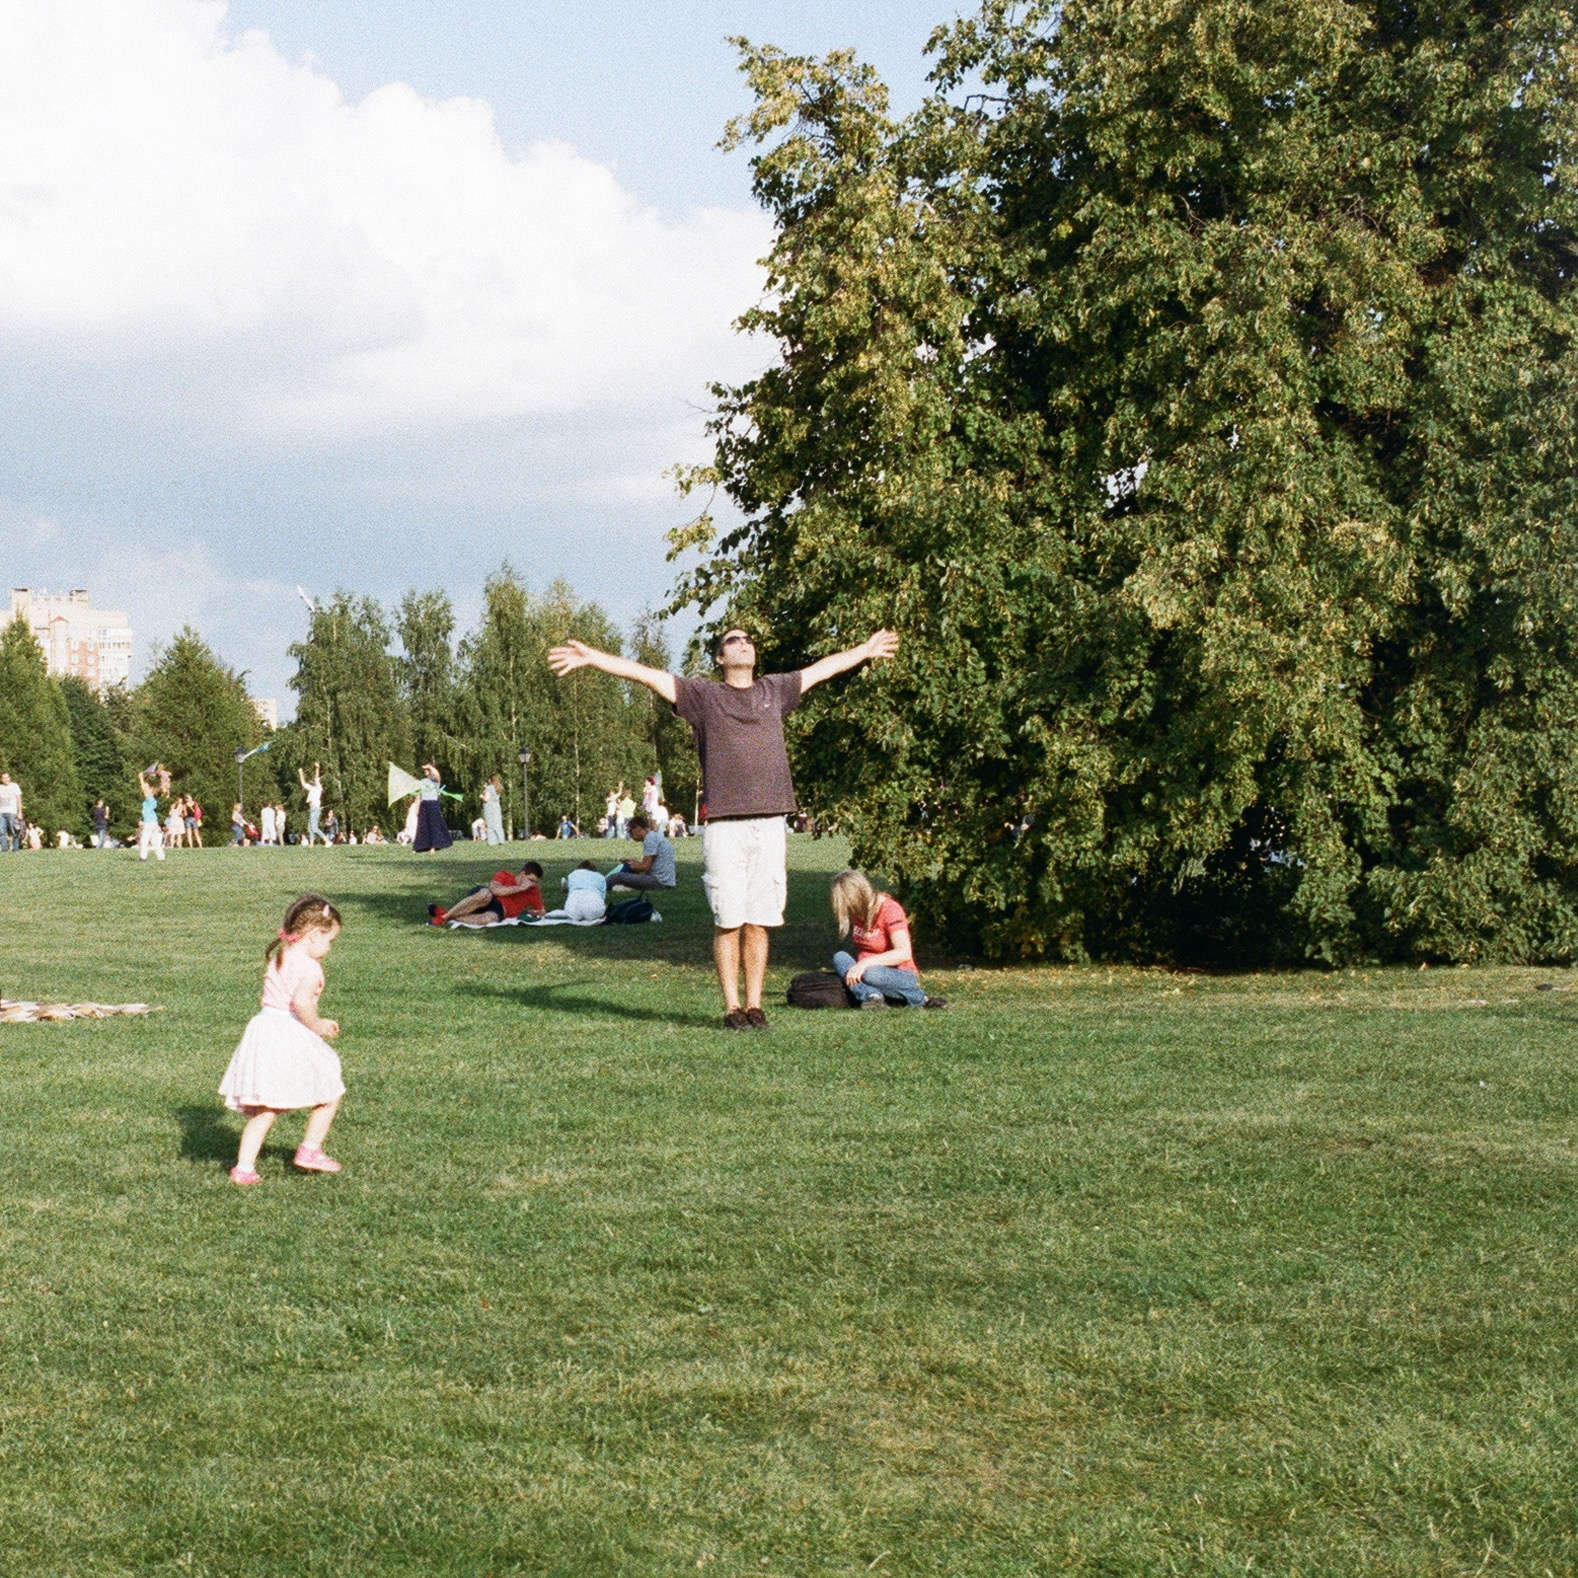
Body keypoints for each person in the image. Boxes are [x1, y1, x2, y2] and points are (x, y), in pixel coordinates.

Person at [549, 623, 898, 1029]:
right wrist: (595, 658)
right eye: (733, 640)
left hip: (769, 823)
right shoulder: (704, 697)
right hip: (725, 827)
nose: (744, 644)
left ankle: (754, 1006)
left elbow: (823, 668)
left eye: (748, 639)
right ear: (719, 658)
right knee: (729, 919)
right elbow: (646, 674)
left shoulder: (775, 690)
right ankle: (733, 1008)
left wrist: (866, 649)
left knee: (760, 919)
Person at [218, 894, 347, 1185]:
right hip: (288, 1031)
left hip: (264, 1029)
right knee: (330, 1086)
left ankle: (244, 1169)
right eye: (330, 941)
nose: (329, 948)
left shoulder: (282, 956)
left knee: (266, 1108)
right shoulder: (311, 967)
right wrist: (317, 1025)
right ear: (314, 935)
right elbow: (302, 1003)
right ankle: (310, 1149)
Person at [830, 869, 947, 1009]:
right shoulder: (858, 912)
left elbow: (903, 953)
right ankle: (872, 996)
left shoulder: (890, 909)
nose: (848, 909)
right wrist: (859, 966)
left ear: (858, 894)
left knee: (870, 974)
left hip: (899, 974)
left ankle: (919, 997)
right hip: (867, 970)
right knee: (840, 957)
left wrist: (865, 963)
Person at [430, 861, 546, 927]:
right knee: (485, 894)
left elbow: (541, 911)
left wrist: (537, 912)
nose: (531, 884)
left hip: (499, 910)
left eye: (535, 882)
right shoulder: (504, 874)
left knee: (490, 919)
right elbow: (495, 890)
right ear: (522, 874)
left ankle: (448, 914)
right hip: (486, 898)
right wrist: (519, 888)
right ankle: (444, 918)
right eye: (530, 880)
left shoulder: (533, 891)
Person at [607, 813, 677, 893]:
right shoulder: (654, 836)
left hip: (658, 882)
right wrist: (634, 863)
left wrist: (631, 866)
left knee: (617, 877)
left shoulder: (649, 839)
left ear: (638, 828)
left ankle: (599, 888)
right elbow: (649, 864)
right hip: (666, 882)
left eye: (630, 832)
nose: (630, 835)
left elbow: (645, 867)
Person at [412, 763, 452, 852]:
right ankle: (419, 847)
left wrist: (430, 767)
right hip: (424, 804)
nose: (425, 771)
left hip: (433, 803)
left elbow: (437, 775)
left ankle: (434, 846)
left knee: (434, 825)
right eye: (425, 770)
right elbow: (419, 795)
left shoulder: (435, 781)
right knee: (422, 826)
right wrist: (417, 807)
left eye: (427, 770)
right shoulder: (422, 781)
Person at [136, 769, 165, 862]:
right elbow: (146, 787)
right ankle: (161, 857)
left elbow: (144, 789)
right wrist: (146, 778)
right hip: (153, 822)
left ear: (153, 793)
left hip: (149, 822)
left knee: (144, 840)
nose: (151, 788)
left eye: (153, 789)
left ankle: (143, 857)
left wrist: (140, 778)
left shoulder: (150, 799)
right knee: (155, 841)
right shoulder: (153, 800)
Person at [298, 764, 326, 846]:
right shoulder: (312, 788)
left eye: (313, 780)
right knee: (310, 827)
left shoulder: (318, 787)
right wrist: (301, 773)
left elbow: (316, 778)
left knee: (314, 827)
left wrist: (317, 768)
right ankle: (311, 844)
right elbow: (303, 783)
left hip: (315, 808)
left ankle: (326, 840)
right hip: (312, 808)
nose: (313, 780)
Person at [482, 775, 506, 845]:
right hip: (497, 806)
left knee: (490, 824)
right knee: (498, 824)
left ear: (490, 780)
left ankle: (492, 841)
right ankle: (501, 840)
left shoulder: (489, 788)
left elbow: (486, 799)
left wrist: (481, 796)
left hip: (489, 807)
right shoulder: (499, 787)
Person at [0, 772, 20, 853]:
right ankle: (4, 849)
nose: (6, 779)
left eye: (7, 777)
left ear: (10, 778)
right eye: (4, 778)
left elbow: (19, 800)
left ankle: (15, 849)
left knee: (14, 831)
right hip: (1, 812)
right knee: (1, 831)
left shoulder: (14, 786)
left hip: (12, 812)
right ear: (1, 779)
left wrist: (20, 812)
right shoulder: (0, 787)